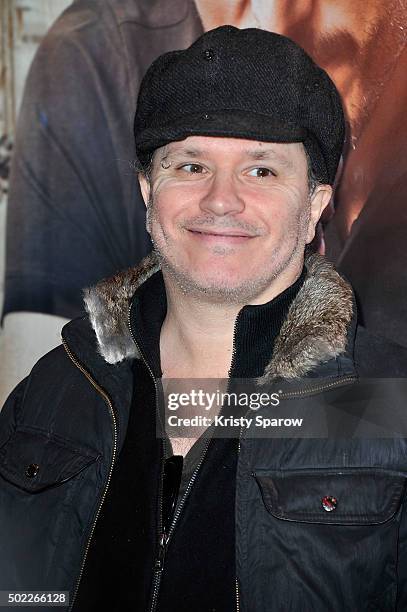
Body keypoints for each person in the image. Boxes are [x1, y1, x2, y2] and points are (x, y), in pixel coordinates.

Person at [1, 25, 407, 612]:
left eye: (261, 170)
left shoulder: (387, 401)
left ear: (315, 205)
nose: (221, 200)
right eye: (190, 165)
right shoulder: (57, 387)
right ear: (147, 191)